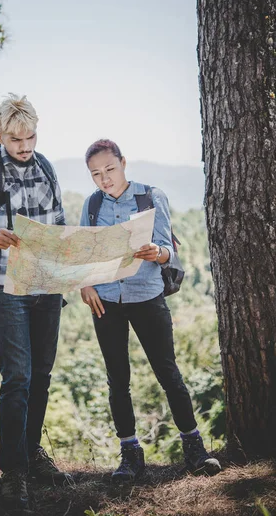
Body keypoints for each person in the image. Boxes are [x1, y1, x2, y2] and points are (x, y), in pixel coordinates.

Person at [80, 139, 221, 482]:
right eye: (96, 174)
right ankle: (130, 455)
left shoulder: (150, 197)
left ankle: (195, 449)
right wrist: (85, 285)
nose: (105, 179)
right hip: (107, 301)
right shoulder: (92, 204)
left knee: (168, 373)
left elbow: (171, 254)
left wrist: (157, 252)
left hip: (147, 296)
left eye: (110, 170)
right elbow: (84, 253)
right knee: (118, 380)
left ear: (123, 163)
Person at [0, 93, 71, 511]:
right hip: (6, 287)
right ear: (0, 135)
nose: (24, 146)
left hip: (47, 286)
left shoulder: (45, 166)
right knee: (18, 379)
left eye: (29, 137)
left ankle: (30, 457)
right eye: (15, 140)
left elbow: (59, 223)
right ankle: (12, 475)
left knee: (42, 374)